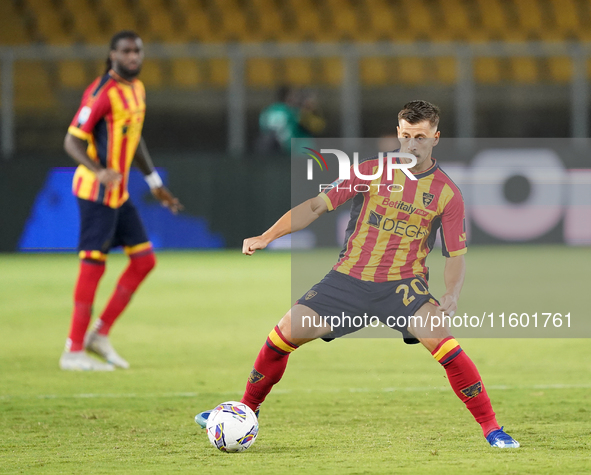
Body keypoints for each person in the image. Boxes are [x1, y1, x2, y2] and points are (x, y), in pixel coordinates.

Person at [196, 100, 519, 448]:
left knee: (446, 345)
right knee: (282, 335)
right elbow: (315, 206)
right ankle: (245, 411)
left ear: (435, 138)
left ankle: (492, 428)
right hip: (346, 281)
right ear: (398, 133)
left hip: (403, 287)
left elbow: (455, 255)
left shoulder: (447, 193)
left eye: (421, 137)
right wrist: (266, 236)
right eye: (406, 135)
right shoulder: (370, 171)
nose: (412, 144)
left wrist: (452, 295)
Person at [59, 31, 183, 371]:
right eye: (126, 51)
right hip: (95, 193)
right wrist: (98, 170)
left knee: (144, 262)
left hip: (120, 193)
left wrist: (155, 182)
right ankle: (73, 350)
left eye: (137, 51)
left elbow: (135, 137)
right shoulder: (101, 92)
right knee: (93, 266)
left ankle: (99, 335)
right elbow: (71, 142)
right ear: (112, 55)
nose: (133, 57)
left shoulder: (137, 89)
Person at [255, 86, 325, 154]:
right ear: (287, 97)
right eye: (294, 96)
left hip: (266, 146)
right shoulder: (291, 111)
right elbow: (316, 127)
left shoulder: (267, 110)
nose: (295, 98)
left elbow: (262, 127)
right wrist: (310, 110)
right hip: (287, 148)